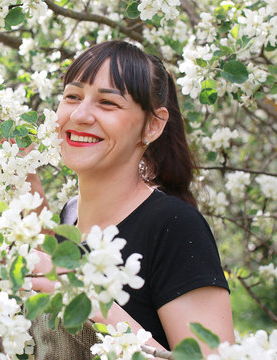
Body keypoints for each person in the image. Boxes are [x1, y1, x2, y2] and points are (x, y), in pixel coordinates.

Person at [26, 40, 234, 359]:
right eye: (72, 96)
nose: (80, 115)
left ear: (152, 125)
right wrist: (22, 174)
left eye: (107, 103)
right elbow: (53, 281)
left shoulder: (174, 227)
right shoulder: (69, 214)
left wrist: (93, 304)